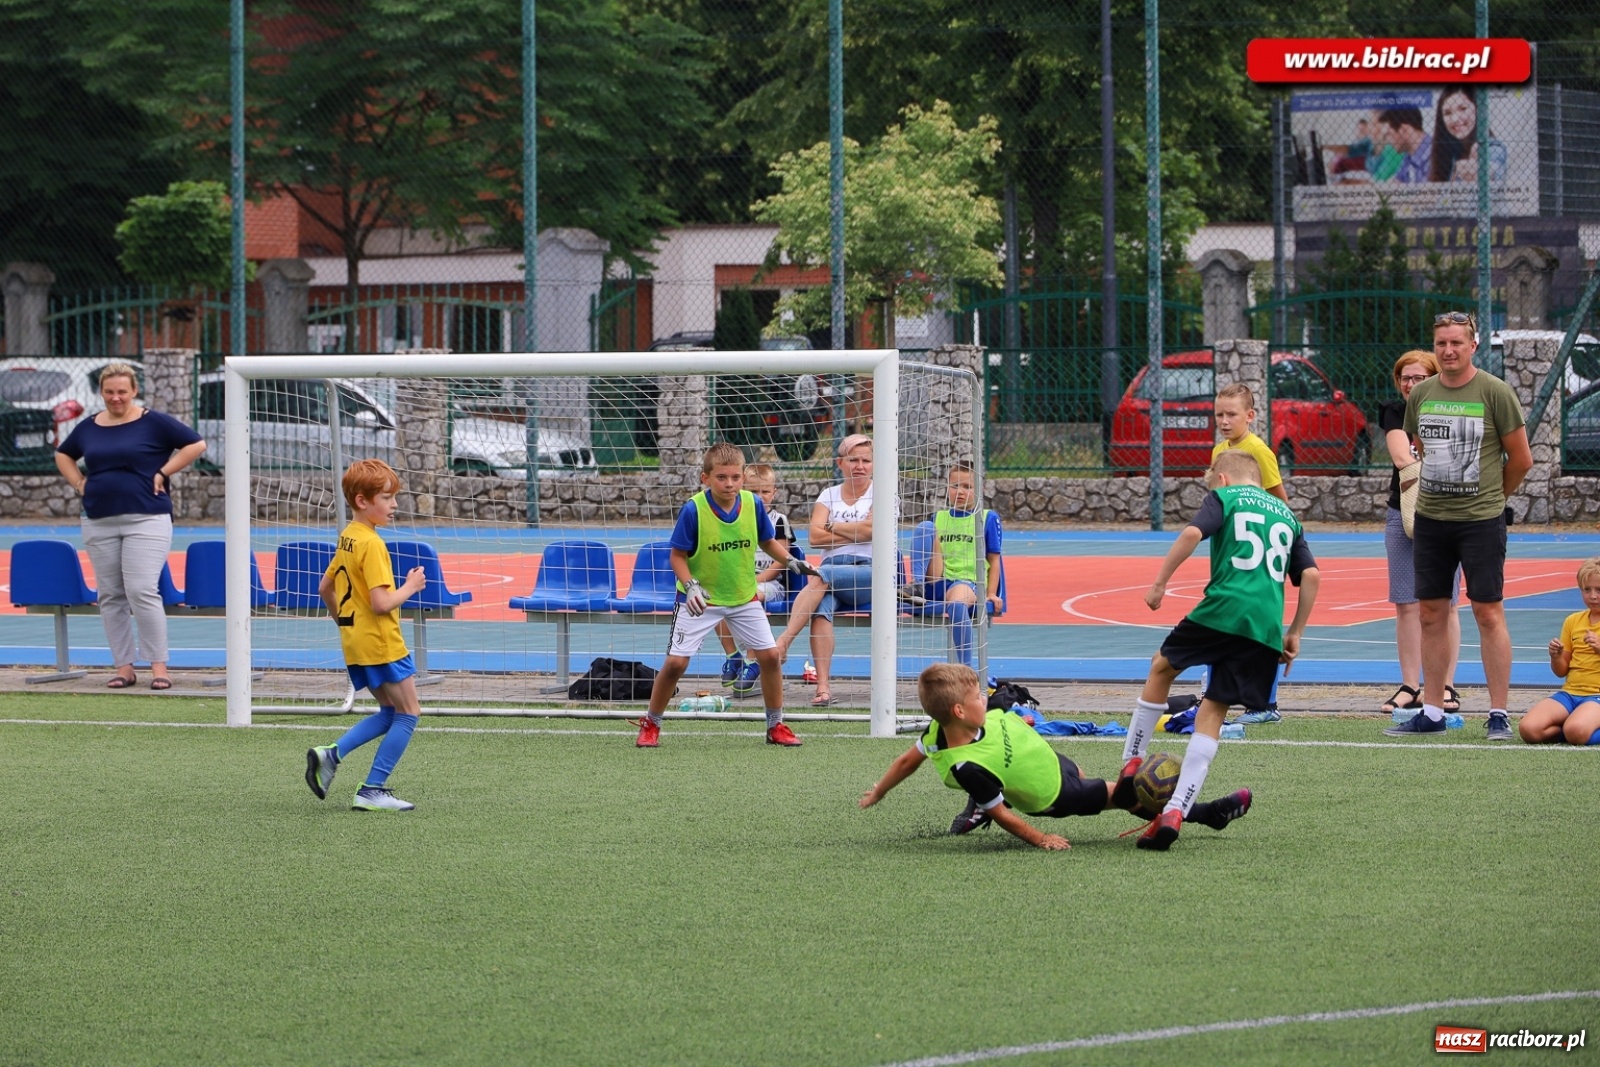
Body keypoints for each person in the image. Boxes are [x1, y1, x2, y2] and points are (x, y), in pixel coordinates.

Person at [1122, 450, 1319, 851]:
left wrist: (1159, 583)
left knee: (1162, 666)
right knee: (1214, 709)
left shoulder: (1225, 498)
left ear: (1224, 479)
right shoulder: (1286, 515)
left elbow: (1193, 533)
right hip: (1265, 625)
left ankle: (1132, 763)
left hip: (1225, 606)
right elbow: (1311, 575)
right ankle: (1176, 809)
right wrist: (1295, 632)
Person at [860, 663, 1252, 849]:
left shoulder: (938, 731)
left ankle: (1191, 813)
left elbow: (907, 761)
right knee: (1128, 794)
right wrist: (1041, 838)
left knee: (1120, 791)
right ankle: (1205, 814)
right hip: (1056, 796)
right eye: (976, 696)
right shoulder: (967, 766)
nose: (985, 698)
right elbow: (1004, 814)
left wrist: (880, 790)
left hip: (1052, 763)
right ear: (959, 712)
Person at [1386, 311, 1531, 741]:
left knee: (1488, 613)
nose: (1448, 351)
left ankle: (1499, 714)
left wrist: (1492, 500)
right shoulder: (1422, 394)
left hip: (1481, 523)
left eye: (1456, 343)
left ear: (1472, 346)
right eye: (1441, 344)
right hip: (1430, 521)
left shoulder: (1495, 391)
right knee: (1431, 614)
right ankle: (1431, 712)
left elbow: (1521, 460)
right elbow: (1419, 448)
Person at [634, 442, 819, 748]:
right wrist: (691, 585)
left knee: (771, 656)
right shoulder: (694, 510)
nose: (729, 483)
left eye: (735, 477)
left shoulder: (753, 504)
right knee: (677, 664)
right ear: (705, 478)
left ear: (743, 477)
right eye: (722, 477)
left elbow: (767, 541)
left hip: (743, 597)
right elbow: (677, 557)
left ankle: (775, 725)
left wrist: (790, 560)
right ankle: (651, 723)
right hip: (700, 600)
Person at [53, 362, 206, 691]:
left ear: (134, 391)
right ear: (102, 393)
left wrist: (164, 472)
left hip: (147, 518)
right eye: (109, 392)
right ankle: (124, 668)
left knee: (141, 590)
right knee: (110, 594)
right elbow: (63, 454)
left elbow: (196, 444)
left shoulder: (154, 422)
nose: (116, 398)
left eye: (122, 391)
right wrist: (79, 482)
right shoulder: (89, 427)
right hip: (98, 519)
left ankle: (158, 667)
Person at [303, 460, 429, 811]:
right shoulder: (372, 544)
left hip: (357, 641)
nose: (394, 505)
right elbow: (380, 603)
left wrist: (344, 624)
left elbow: (325, 587)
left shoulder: (348, 537)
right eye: (387, 498)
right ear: (362, 501)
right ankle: (372, 789)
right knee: (409, 713)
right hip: (381, 642)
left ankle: (331, 755)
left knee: (389, 710)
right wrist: (410, 586)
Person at [772, 433, 916, 706]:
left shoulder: (884, 494)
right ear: (840, 463)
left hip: (871, 575)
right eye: (853, 460)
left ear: (874, 464)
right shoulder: (828, 495)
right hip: (832, 575)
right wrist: (857, 531)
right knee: (820, 610)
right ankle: (823, 689)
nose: (859, 465)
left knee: (819, 576)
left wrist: (833, 528)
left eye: (866, 460)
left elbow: (873, 532)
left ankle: (783, 643)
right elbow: (815, 537)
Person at [1378, 350, 1462, 715]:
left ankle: (1444, 685)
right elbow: (1402, 458)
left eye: (1418, 377)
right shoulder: (1394, 412)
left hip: (1448, 514)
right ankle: (1410, 685)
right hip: (1404, 513)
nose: (1410, 384)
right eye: (1404, 378)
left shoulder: (1451, 411)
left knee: (1447, 604)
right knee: (1406, 604)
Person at [1210, 383, 1287, 724]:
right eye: (1219, 415)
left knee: (1261, 625)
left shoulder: (1260, 451)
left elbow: (1279, 501)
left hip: (1259, 553)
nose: (1224, 421)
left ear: (1250, 416)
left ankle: (1266, 705)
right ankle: (1215, 699)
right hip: (1232, 553)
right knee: (1224, 624)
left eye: (1232, 414)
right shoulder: (1218, 452)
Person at [716, 463, 795, 695]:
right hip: (739, 581)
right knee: (713, 599)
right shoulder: (734, 518)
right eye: (753, 492)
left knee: (752, 595)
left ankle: (753, 661)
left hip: (771, 584)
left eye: (765, 491)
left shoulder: (779, 520)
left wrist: (758, 578)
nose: (760, 497)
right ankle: (733, 657)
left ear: (774, 492)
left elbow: (782, 559)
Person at [923, 464, 1003, 669]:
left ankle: (965, 670)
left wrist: (992, 593)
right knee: (924, 529)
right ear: (947, 488)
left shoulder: (986, 518)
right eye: (955, 486)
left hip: (966, 583)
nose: (960, 492)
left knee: (958, 605)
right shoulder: (938, 518)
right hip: (937, 581)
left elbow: (994, 560)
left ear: (979, 490)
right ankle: (914, 586)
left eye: (967, 486)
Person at [1517, 557, 1600, 746]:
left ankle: (1577, 727)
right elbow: (1561, 671)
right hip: (1570, 694)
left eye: (1599, 590)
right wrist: (1556, 656)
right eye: (1587, 590)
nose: (1593, 596)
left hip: (1597, 695)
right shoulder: (1573, 621)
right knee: (1528, 729)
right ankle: (1573, 726)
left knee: (1576, 731)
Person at [1429, 86, 1507, 184]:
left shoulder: (1493, 147)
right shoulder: (1449, 154)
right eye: (1447, 113)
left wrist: (1481, 172)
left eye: (1463, 109)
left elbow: (1494, 168)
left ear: (1477, 109)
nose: (1455, 119)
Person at [1376, 106, 1432, 184]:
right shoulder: (1409, 156)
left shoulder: (1434, 156)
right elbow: (1393, 184)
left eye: (1388, 135)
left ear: (1404, 130)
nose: (1387, 142)